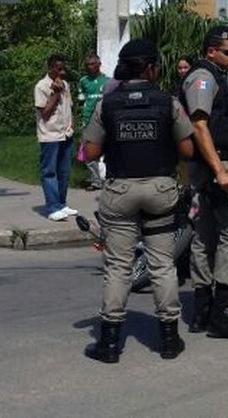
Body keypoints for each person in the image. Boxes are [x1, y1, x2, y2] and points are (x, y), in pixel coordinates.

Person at [82, 39, 195, 362]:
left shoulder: (108, 104)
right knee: (162, 265)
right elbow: (188, 150)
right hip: (160, 190)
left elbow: (90, 152)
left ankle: (110, 342)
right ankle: (170, 339)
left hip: (120, 193)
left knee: (118, 266)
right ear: (149, 68)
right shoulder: (168, 102)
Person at [181, 25, 228, 341]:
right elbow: (199, 126)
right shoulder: (203, 77)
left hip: (208, 168)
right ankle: (222, 312)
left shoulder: (214, 76)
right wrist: (221, 172)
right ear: (211, 51)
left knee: (205, 235)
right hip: (218, 166)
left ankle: (203, 310)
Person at [35, 53, 77, 221]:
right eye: (58, 69)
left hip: (66, 133)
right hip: (50, 135)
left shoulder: (66, 84)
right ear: (50, 68)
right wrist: (55, 93)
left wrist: (72, 125)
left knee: (64, 171)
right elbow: (44, 114)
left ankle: (61, 203)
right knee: (49, 171)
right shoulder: (42, 86)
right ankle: (52, 207)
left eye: (63, 68)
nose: (62, 72)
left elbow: (69, 107)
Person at [77, 53, 110, 191]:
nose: (89, 67)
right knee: (87, 151)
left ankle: (111, 178)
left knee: (109, 150)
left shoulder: (108, 81)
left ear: (98, 65)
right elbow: (80, 99)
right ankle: (96, 180)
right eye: (87, 65)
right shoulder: (83, 81)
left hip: (105, 119)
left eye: (92, 64)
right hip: (88, 119)